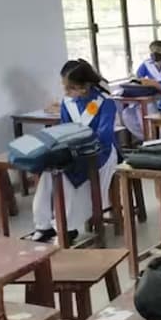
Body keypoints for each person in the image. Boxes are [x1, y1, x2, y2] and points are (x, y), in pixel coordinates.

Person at [32, 60, 118, 242]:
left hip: (100, 154)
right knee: (49, 172)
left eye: (71, 87)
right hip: (74, 150)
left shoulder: (104, 102)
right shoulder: (68, 102)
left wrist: (77, 147)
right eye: (64, 86)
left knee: (68, 176)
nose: (66, 92)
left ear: (85, 86)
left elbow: (104, 138)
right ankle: (43, 225)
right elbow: (64, 129)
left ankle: (67, 226)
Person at [122, 40, 161, 140]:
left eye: (158, 50)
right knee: (127, 113)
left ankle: (153, 138)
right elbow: (138, 78)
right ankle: (146, 138)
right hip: (150, 96)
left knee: (147, 109)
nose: (154, 53)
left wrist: (152, 83)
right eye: (152, 50)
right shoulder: (147, 64)